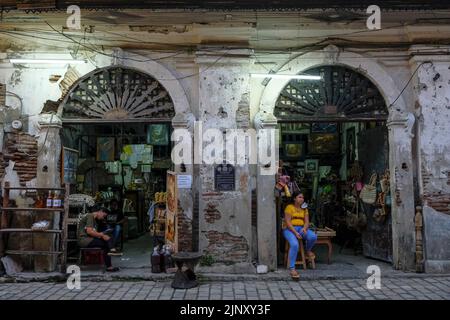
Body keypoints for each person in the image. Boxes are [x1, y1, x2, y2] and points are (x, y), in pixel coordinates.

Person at [282, 192, 317, 280]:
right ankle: (292, 268)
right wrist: (295, 232)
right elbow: (288, 222)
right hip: (289, 230)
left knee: (313, 237)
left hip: (301, 228)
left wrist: (305, 229)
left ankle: (307, 251)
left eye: (303, 197)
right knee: (294, 244)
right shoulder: (289, 208)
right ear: (294, 198)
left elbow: (307, 222)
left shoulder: (304, 209)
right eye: (299, 197)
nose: (302, 199)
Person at [77, 205, 121, 272]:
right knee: (106, 243)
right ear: (100, 211)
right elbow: (89, 231)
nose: (103, 218)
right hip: (84, 240)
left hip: (89, 239)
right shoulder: (90, 216)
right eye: (103, 216)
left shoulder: (94, 220)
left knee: (107, 239)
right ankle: (112, 251)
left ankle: (112, 250)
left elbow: (93, 232)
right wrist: (102, 235)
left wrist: (102, 235)